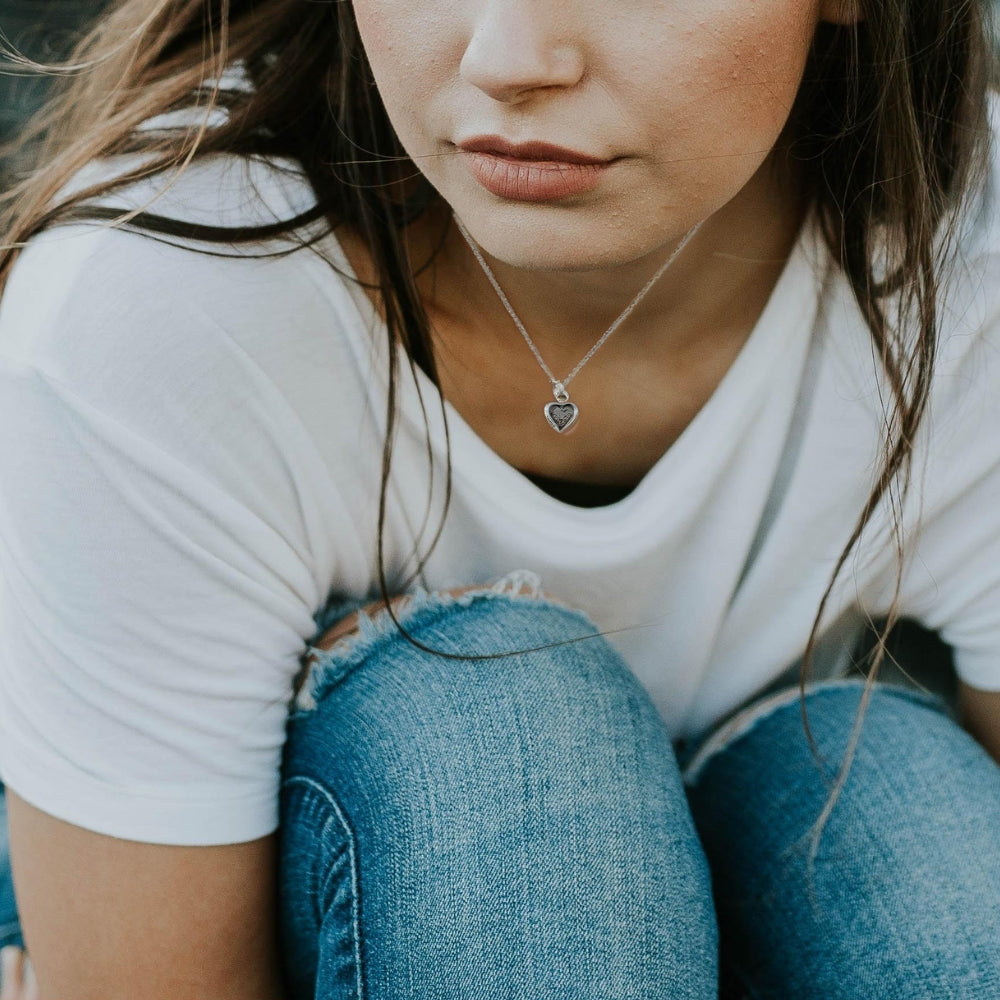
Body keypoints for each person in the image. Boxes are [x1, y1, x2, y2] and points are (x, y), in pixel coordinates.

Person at [0, 0, 999, 996]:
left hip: (785, 849)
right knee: (501, 733)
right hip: (335, 910)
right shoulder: (166, 303)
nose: (508, 59)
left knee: (903, 826)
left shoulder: (971, 276)